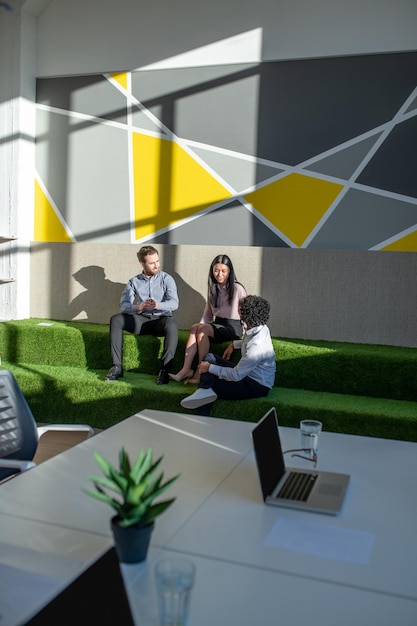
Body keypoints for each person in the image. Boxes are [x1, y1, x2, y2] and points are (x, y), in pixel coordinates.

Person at [180, 294, 276, 413]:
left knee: (212, 383)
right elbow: (248, 342)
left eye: (240, 312)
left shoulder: (256, 346)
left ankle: (201, 406)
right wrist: (234, 344)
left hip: (256, 385)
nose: (238, 314)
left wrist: (209, 368)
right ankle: (204, 390)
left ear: (247, 316)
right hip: (246, 374)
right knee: (209, 357)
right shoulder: (260, 326)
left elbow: (236, 375)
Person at [105, 245, 179, 384]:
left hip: (160, 320)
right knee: (116, 319)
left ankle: (165, 370)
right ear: (142, 263)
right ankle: (117, 367)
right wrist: (139, 307)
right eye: (152, 263)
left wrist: (158, 305)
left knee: (172, 324)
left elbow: (174, 303)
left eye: (157, 261)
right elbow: (124, 305)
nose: (156, 265)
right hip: (141, 320)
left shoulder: (167, 279)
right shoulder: (134, 281)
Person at [169, 254, 246, 385]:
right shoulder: (213, 288)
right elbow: (208, 313)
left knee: (203, 328)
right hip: (218, 324)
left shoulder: (238, 288)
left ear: (229, 272)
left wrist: (245, 333)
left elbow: (245, 312)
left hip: (233, 327)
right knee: (195, 327)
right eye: (216, 270)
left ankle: (200, 372)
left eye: (223, 271)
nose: (219, 274)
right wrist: (199, 326)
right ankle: (186, 369)